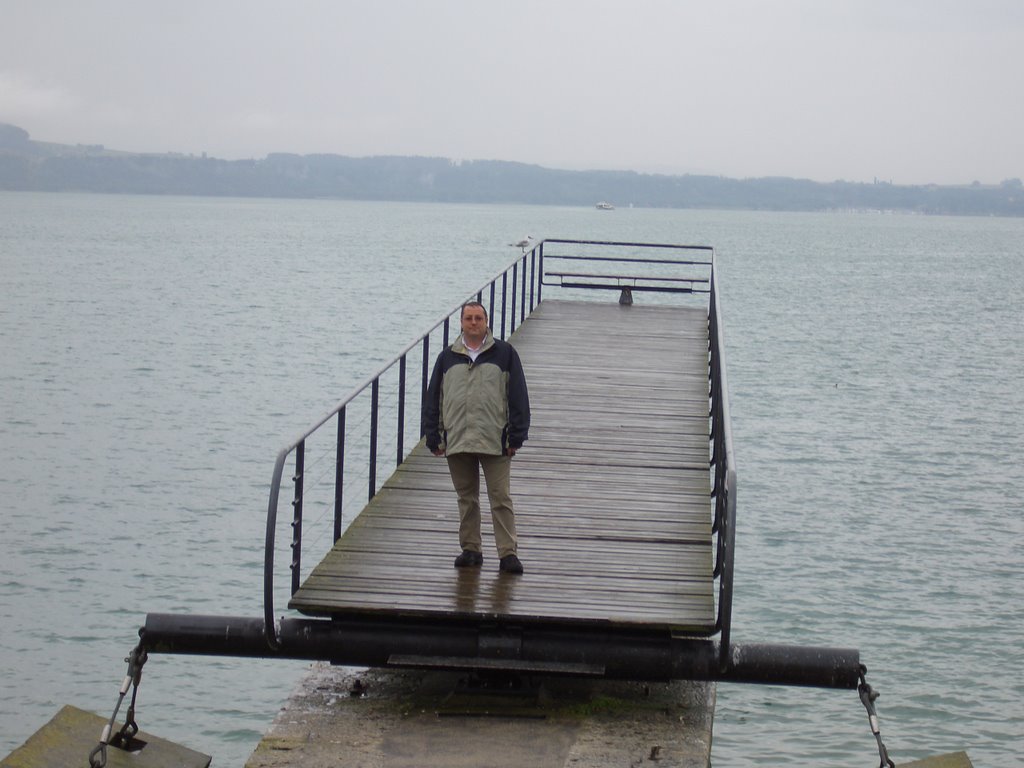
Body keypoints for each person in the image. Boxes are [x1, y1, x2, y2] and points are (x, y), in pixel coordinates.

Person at [422, 301, 530, 574]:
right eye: (468, 318)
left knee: (500, 498)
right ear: (461, 322)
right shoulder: (446, 357)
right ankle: (471, 550)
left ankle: (508, 553)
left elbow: (518, 396)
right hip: (458, 438)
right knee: (466, 498)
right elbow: (434, 397)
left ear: (486, 322)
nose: (473, 323)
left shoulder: (504, 354)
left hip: (495, 440)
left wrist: (516, 436)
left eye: (478, 318)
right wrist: (432, 435)